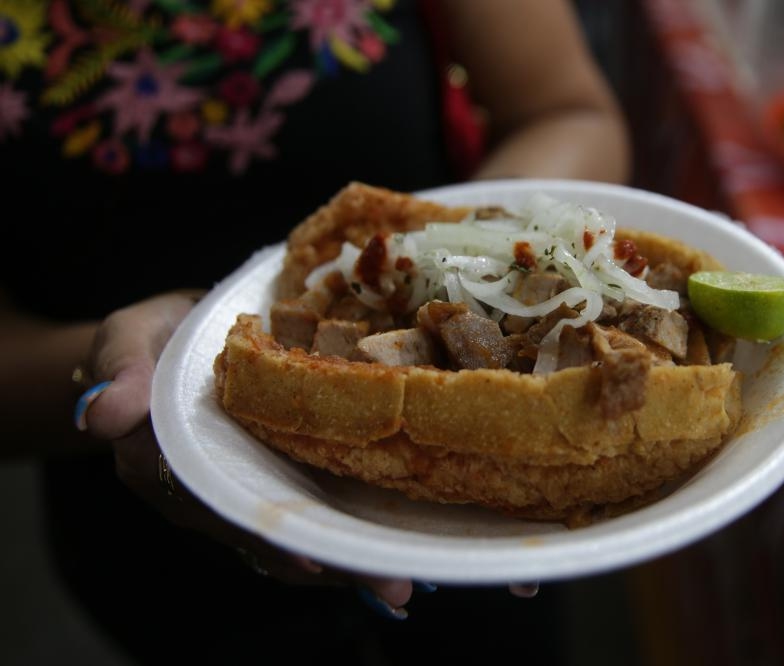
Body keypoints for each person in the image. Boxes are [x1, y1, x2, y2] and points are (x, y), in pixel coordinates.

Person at [0, 0, 630, 663]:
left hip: (488, 491)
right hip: (149, 544)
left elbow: (565, 109)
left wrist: (478, 263)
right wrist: (161, 368)